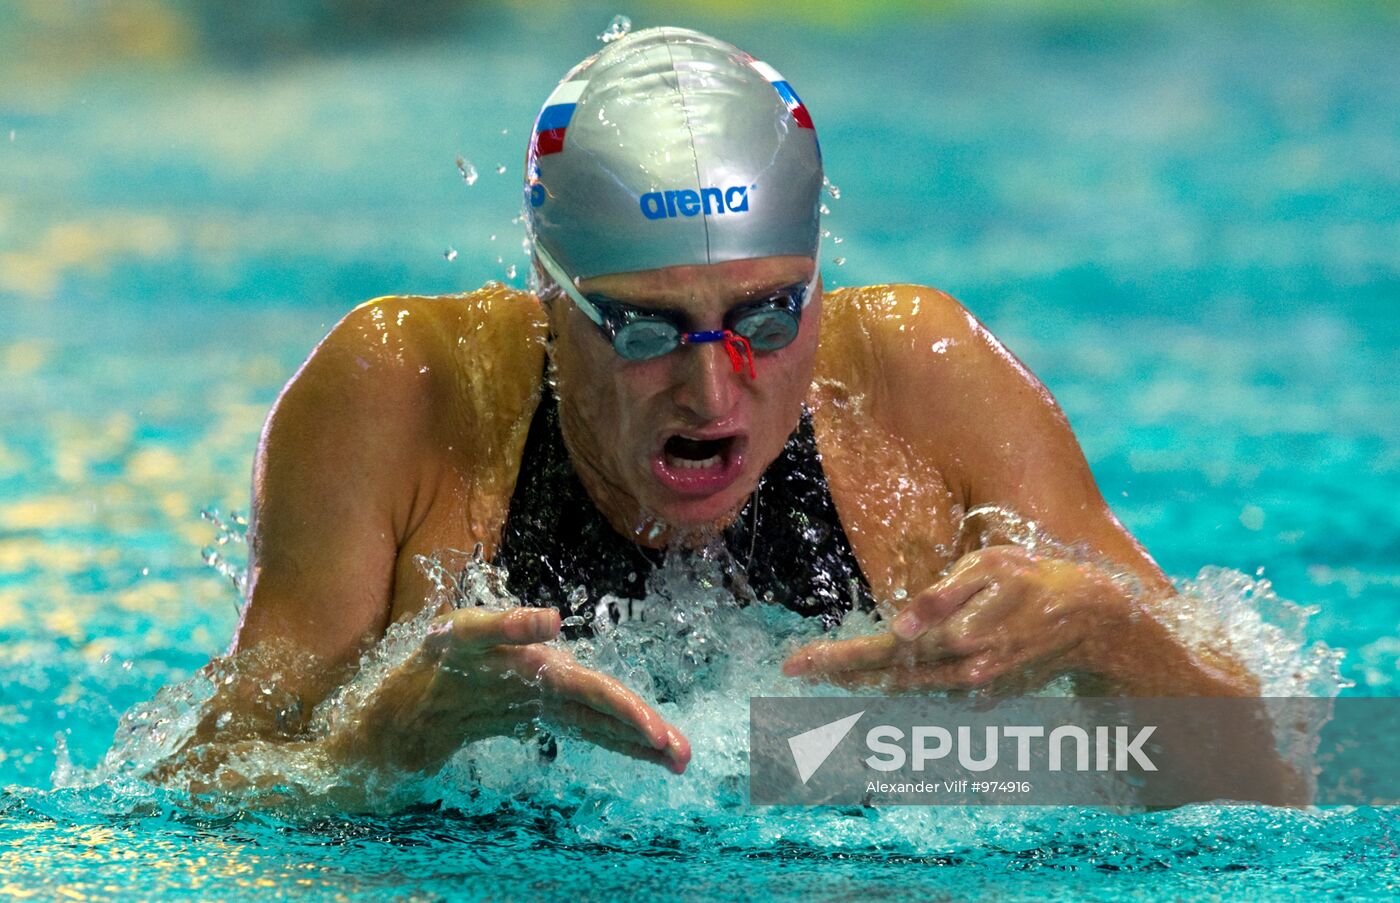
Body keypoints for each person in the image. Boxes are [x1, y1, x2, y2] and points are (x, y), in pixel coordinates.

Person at [178, 27, 1268, 786]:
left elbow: (1288, 774)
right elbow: (201, 798)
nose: (710, 391)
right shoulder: (399, 394)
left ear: (817, 287)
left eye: (762, 319)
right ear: (546, 304)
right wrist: (386, 739)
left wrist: (1108, 636)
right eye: (642, 329)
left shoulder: (922, 384)